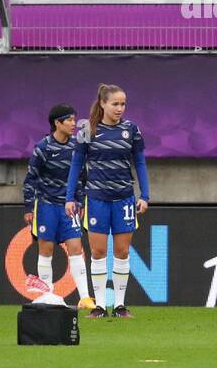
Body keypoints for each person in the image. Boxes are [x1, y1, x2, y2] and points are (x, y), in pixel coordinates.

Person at [65, 84, 149, 318]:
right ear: (102, 103)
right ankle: (100, 305)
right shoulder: (87, 129)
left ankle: (120, 305)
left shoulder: (132, 130)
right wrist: (70, 197)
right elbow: (76, 165)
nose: (120, 108)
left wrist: (145, 195)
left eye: (123, 104)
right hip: (97, 198)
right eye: (115, 104)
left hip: (124, 199)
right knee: (98, 252)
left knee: (122, 251)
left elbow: (140, 163)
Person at [23, 103, 92, 306]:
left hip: (69, 207)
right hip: (46, 206)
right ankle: (46, 297)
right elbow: (30, 179)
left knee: (76, 247)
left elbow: (83, 177)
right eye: (69, 120)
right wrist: (28, 208)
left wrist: (80, 202)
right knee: (46, 249)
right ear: (57, 123)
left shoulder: (76, 147)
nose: (74, 124)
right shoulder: (42, 148)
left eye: (74, 119)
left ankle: (85, 298)